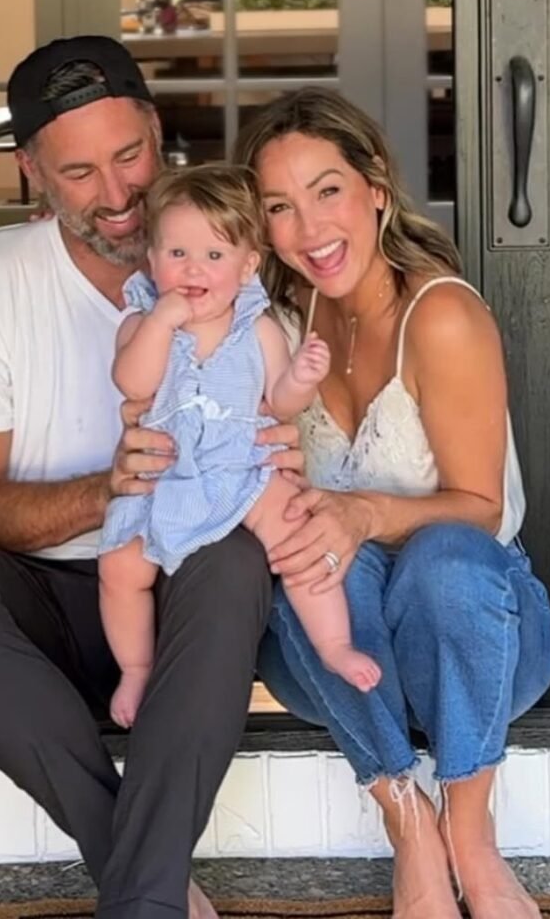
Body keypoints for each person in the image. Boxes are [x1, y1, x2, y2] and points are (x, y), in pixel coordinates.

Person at [0, 36, 302, 919]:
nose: (116, 195)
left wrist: (291, 452)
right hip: (50, 612)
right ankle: (142, 879)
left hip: (192, 598)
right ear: (31, 170)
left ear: (157, 131)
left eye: (129, 155)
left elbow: (292, 409)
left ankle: (140, 897)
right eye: (77, 172)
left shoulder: (239, 260)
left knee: (229, 562)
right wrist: (108, 487)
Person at [234, 88, 550, 919]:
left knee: (445, 556)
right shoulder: (275, 328)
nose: (309, 229)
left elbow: (482, 506)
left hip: (474, 641)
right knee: (315, 557)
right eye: (279, 206)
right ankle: (408, 824)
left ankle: (472, 836)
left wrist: (365, 514)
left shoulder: (440, 314)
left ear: (376, 187)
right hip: (338, 658)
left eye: (328, 190)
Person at [99, 164, 381, 728]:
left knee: (299, 538)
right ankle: (136, 667)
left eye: (213, 256)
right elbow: (133, 382)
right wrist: (163, 321)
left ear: (248, 266)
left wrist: (301, 375)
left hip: (242, 470)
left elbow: (279, 404)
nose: (192, 270)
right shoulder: (140, 323)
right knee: (119, 568)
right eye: (176, 254)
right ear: (151, 261)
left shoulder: (258, 329)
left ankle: (333, 644)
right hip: (164, 478)